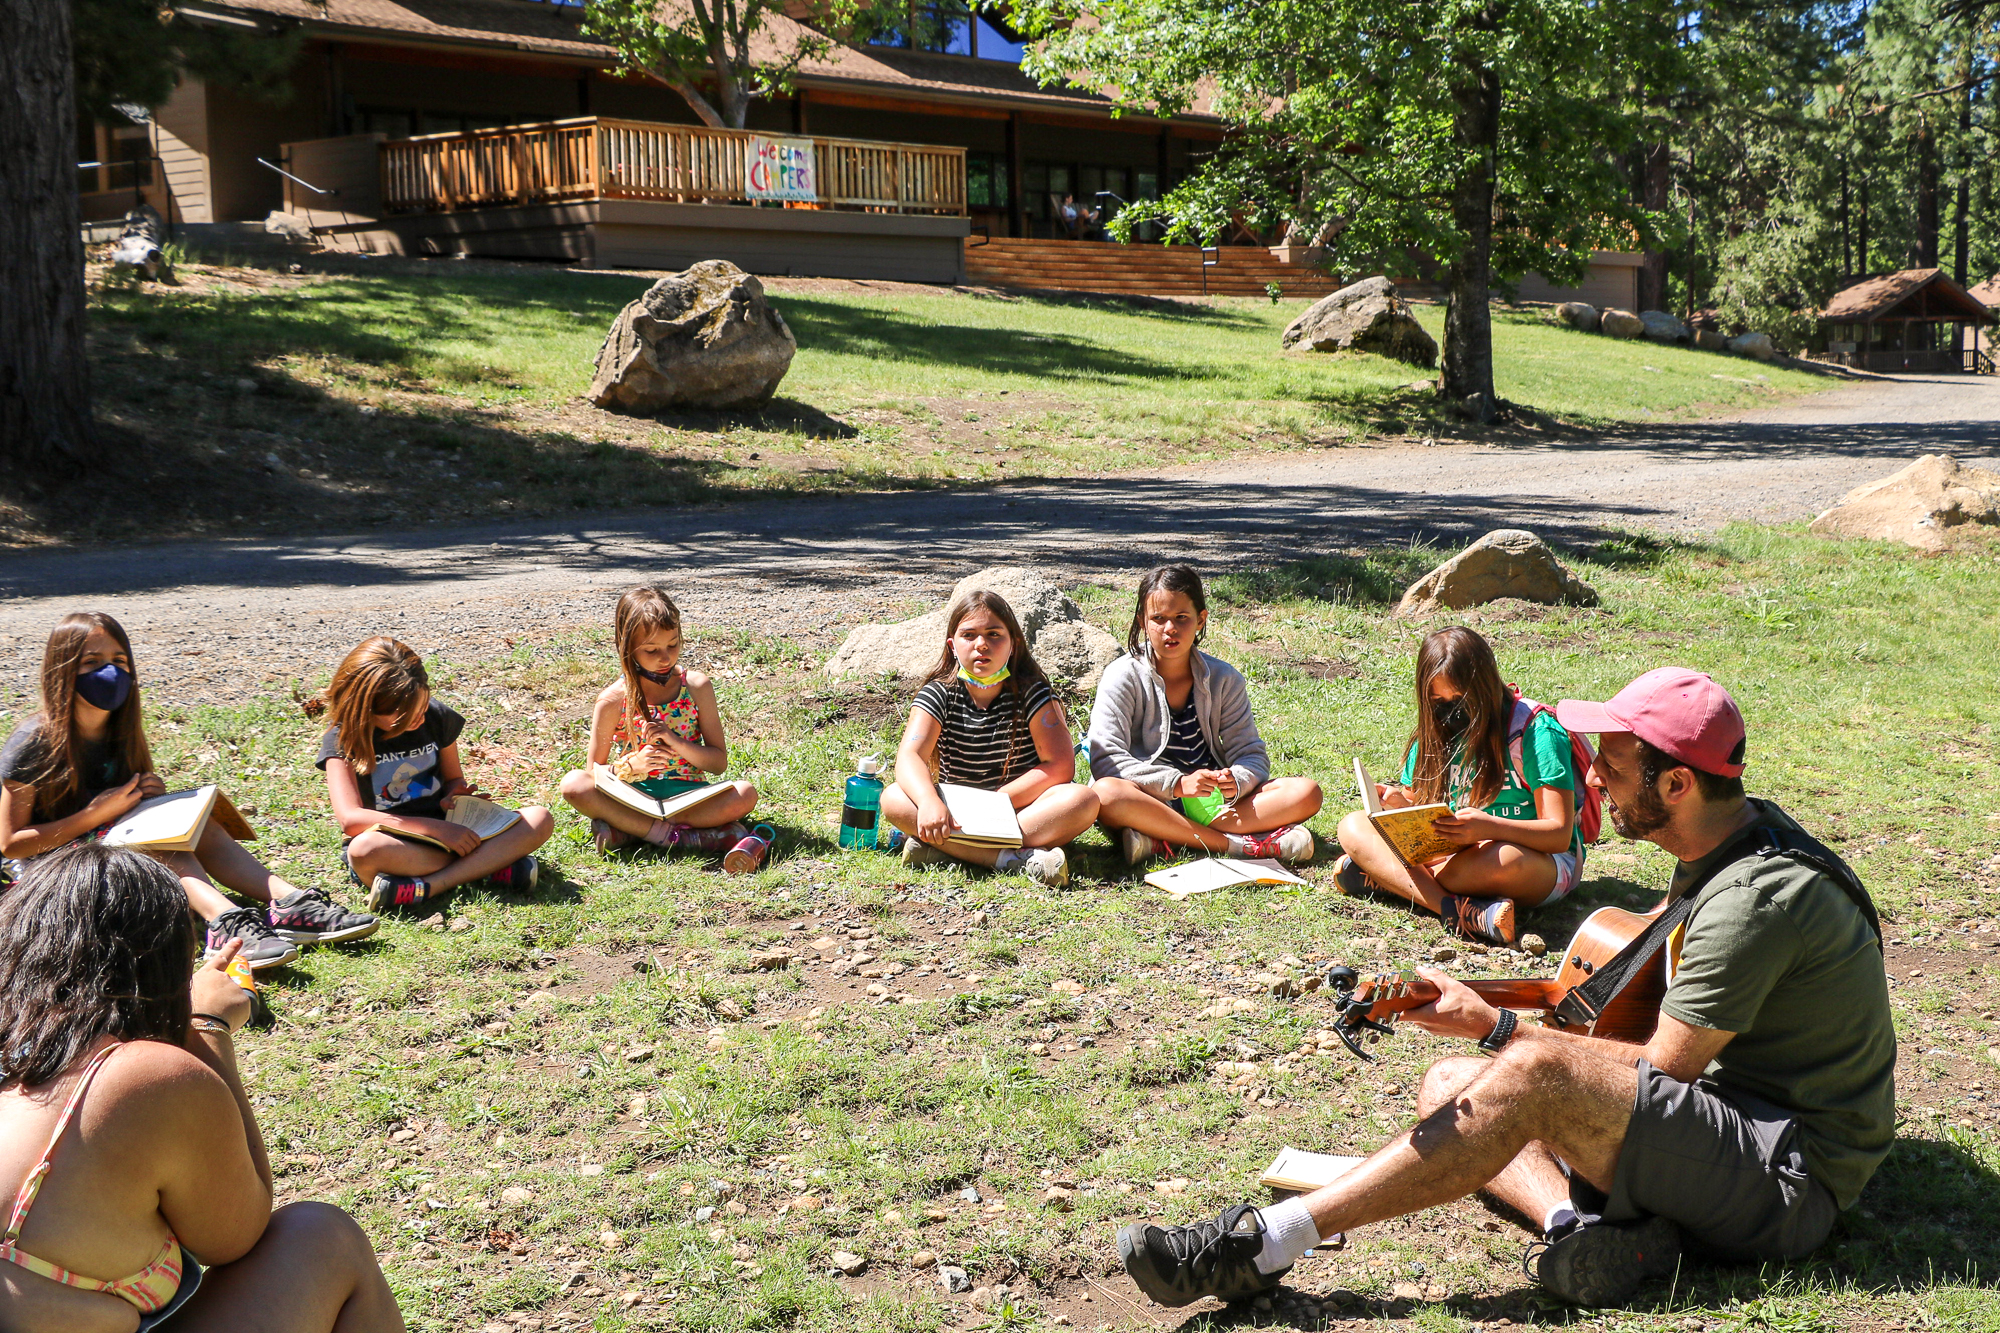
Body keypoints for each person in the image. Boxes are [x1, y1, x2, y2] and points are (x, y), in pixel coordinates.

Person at [1115, 668, 1894, 1310]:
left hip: (1787, 1178)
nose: (1593, 776)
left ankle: (1262, 1242)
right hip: (1728, 1124)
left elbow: (1664, 1070)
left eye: (1612, 765)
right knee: (1448, 1084)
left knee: (1528, 1070)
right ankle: (1578, 1231)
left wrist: (1497, 1026)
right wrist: (1499, 1022)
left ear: (1680, 781)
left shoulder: (1754, 899)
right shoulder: (1727, 836)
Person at [0, 842, 405, 1331]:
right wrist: (206, 1026)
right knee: (322, 1236)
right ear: (161, 958)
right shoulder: (140, 1076)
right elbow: (235, 1234)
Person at [0, 613, 375, 972]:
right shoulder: (33, 741)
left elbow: (122, 809)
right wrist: (96, 813)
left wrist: (148, 793)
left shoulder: (121, 729)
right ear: (62, 669)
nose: (109, 672)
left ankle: (289, 902)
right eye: (91, 662)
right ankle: (223, 922)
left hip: (106, 848)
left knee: (199, 826)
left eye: (119, 660)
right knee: (155, 844)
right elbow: (11, 844)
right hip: (50, 875)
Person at [1332, 627, 1588, 946]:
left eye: (1461, 701)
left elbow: (1559, 834)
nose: (1451, 713)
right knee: (1352, 825)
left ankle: (1393, 881)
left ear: (1485, 688)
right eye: (1438, 702)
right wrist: (1400, 806)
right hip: (1452, 857)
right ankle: (1452, 908)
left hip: (1532, 860)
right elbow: (1424, 819)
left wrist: (1490, 828)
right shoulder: (1432, 735)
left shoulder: (1535, 731)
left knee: (1506, 859)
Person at [1088, 566, 1321, 865]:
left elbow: (1250, 753)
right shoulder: (1122, 676)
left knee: (1306, 792)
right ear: (1142, 622)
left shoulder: (1224, 679)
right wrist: (1178, 784)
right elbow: (1107, 759)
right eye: (1158, 618)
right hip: (1150, 798)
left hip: (1213, 804)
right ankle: (1236, 845)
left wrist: (1236, 781)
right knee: (1106, 794)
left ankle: (1164, 838)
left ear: (1201, 620)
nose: (1170, 628)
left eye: (1181, 618)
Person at [315, 637, 553, 912]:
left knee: (539, 818)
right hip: (398, 843)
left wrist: (455, 795)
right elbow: (351, 819)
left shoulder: (436, 716)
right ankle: (488, 866)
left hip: (450, 834)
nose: (417, 718)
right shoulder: (342, 739)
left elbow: (453, 779)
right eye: (402, 716)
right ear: (365, 707)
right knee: (364, 851)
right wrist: (435, 829)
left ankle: (428, 885)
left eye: (422, 706)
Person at [880, 590, 1098, 888]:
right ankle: (1013, 859)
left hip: (1018, 811)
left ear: (1014, 644)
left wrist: (996, 802)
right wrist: (929, 802)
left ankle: (943, 849)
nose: (981, 644)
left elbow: (1059, 765)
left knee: (1083, 800)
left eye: (994, 634)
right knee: (893, 798)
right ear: (952, 646)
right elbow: (910, 756)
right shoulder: (938, 693)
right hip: (955, 812)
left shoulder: (1035, 693)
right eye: (969, 635)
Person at [557, 587, 759, 856]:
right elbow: (594, 774)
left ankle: (629, 830)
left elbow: (718, 764)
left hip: (689, 797)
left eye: (672, 645)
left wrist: (676, 742)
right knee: (574, 784)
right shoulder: (612, 700)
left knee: (745, 793)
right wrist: (631, 766)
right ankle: (678, 836)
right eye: (651, 650)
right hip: (632, 797)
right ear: (627, 647)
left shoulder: (696, 687)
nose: (665, 658)